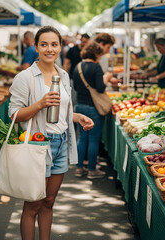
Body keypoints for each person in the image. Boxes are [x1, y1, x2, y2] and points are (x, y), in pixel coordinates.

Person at [8, 26, 94, 239]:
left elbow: (64, 110)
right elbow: (14, 115)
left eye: (54, 44)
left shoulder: (63, 75)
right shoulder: (25, 77)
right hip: (38, 145)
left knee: (49, 202)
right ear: (36, 46)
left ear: (60, 47)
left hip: (61, 143)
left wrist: (78, 117)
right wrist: (39, 104)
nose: (49, 49)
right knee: (33, 205)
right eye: (44, 44)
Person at [73, 41, 112, 179]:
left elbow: (76, 88)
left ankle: (79, 168)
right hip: (94, 108)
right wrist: (106, 78)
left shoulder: (78, 66)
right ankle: (91, 170)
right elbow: (101, 88)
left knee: (82, 138)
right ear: (96, 53)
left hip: (79, 106)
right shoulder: (96, 68)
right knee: (94, 139)